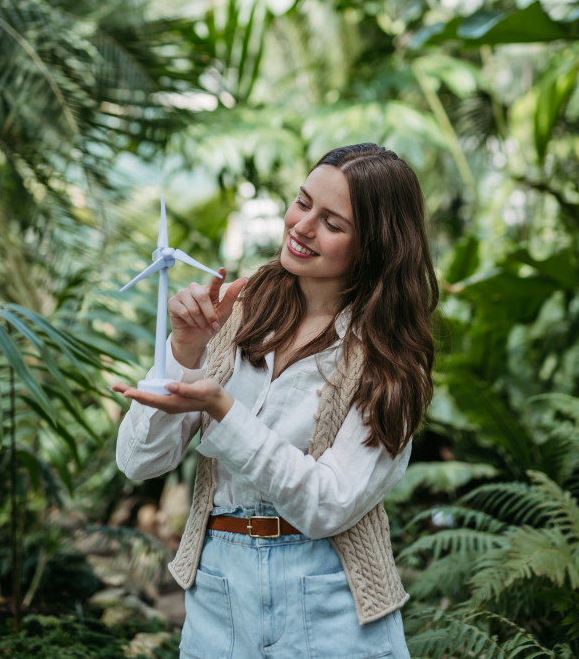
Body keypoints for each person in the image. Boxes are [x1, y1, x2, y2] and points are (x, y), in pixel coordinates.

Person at [113, 142, 438, 659]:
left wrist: (224, 410)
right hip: (219, 588)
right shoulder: (238, 315)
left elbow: (327, 504)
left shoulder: (388, 361)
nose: (302, 226)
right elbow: (138, 461)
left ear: (375, 246)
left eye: (333, 223)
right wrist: (184, 349)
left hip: (329, 597)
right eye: (302, 202)